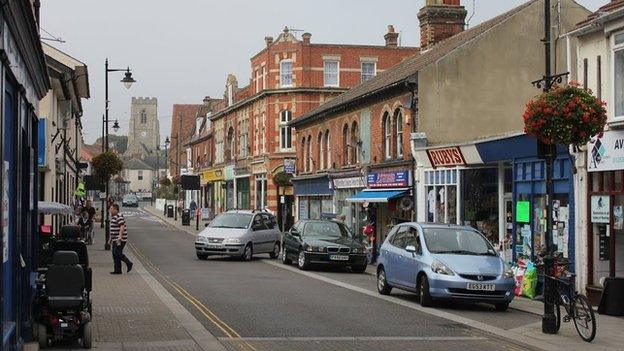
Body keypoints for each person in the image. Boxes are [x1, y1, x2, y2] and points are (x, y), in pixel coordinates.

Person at [109, 203, 133, 274]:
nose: (110, 210)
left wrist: (120, 236)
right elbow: (113, 229)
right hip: (115, 239)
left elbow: (122, 227)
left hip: (120, 239)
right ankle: (117, 270)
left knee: (118, 253)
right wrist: (110, 239)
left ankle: (129, 263)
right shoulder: (114, 217)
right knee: (115, 254)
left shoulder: (118, 216)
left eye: (111, 209)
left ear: (116, 210)